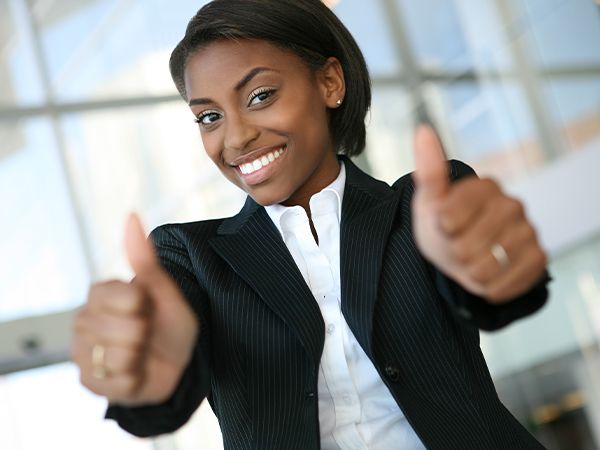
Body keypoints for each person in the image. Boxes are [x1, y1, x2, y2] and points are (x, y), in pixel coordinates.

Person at [71, 1, 550, 448]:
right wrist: (149, 374)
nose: (235, 137)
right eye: (210, 116)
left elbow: (495, 293)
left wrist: (493, 274)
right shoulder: (190, 257)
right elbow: (160, 372)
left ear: (330, 84)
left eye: (260, 95)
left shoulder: (423, 206)